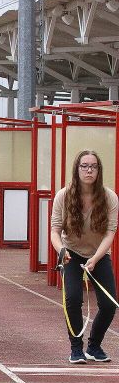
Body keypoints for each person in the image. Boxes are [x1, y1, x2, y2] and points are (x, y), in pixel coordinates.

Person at [51, 150, 118, 364]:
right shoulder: (64, 195)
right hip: (72, 254)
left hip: (98, 255)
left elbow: (110, 233)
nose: (89, 170)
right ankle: (76, 348)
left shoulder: (109, 197)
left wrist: (96, 259)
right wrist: (61, 250)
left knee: (109, 304)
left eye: (93, 166)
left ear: (99, 170)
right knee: (73, 299)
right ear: (77, 169)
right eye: (84, 166)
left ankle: (94, 345)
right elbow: (55, 230)